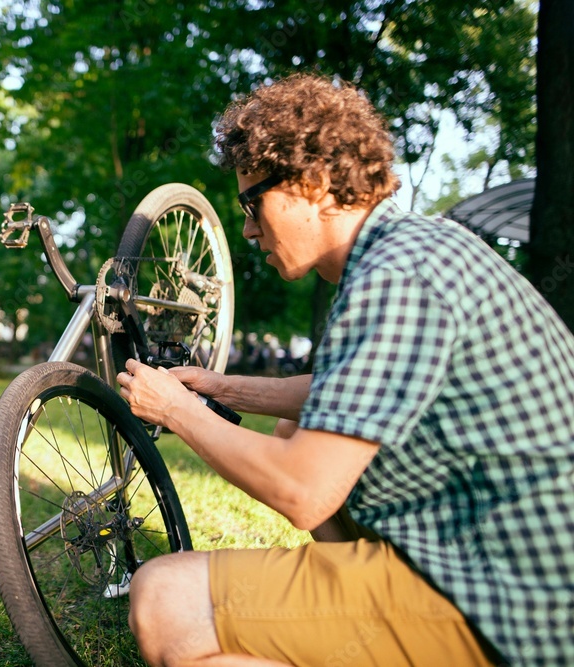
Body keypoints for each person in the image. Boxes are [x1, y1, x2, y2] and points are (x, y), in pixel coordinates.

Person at [117, 73, 574, 666]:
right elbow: (343, 393)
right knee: (290, 427)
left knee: (164, 599)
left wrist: (176, 410)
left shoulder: (398, 277)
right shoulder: (412, 249)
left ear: (315, 184)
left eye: (253, 203)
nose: (249, 227)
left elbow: (303, 490)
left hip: (508, 604)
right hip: (508, 564)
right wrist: (217, 388)